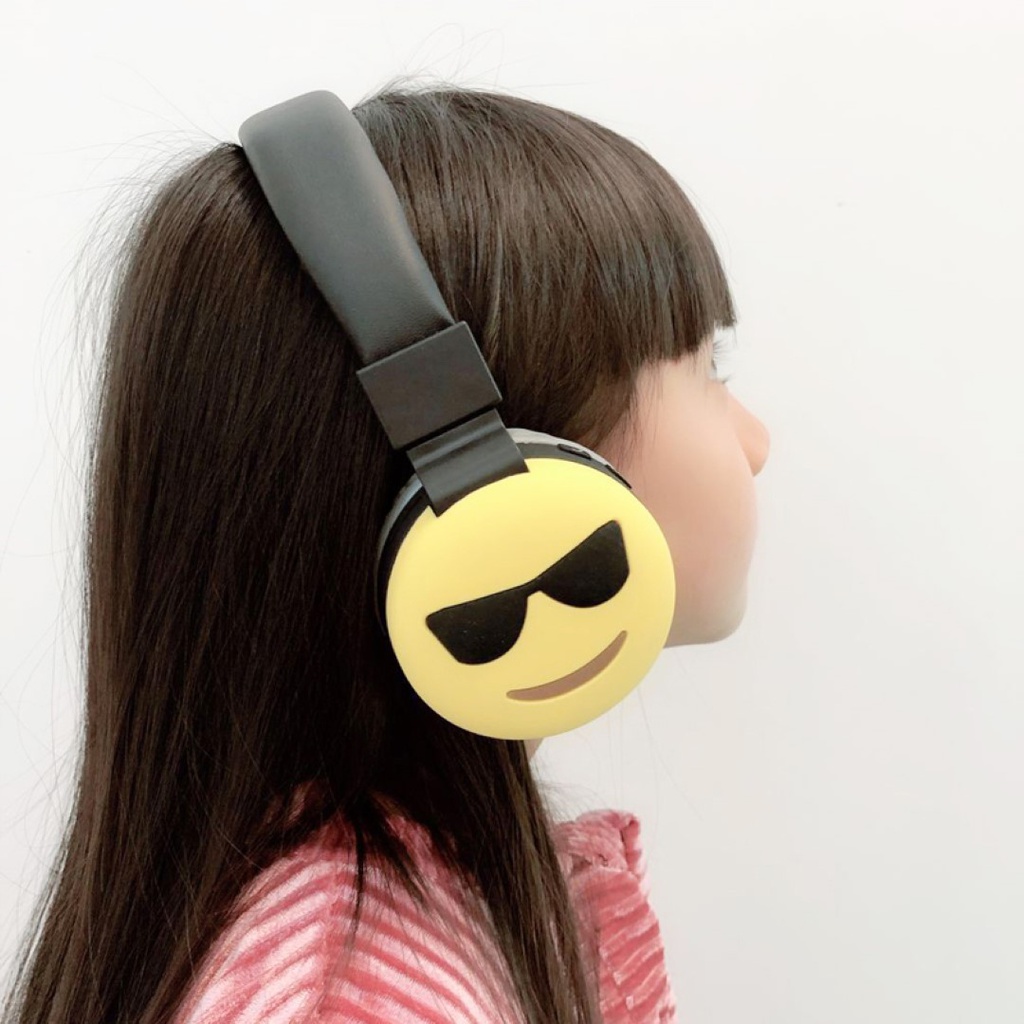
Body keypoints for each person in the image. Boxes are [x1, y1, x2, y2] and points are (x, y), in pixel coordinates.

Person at [1, 78, 769, 1024]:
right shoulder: (355, 996)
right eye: (710, 368)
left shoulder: (391, 921)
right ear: (503, 490)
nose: (757, 444)